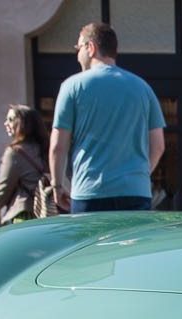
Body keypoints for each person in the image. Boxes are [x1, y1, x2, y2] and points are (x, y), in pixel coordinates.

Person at [49, 22, 165, 213]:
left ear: (91, 47)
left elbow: (58, 147)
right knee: (134, 244)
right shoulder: (143, 88)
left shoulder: (72, 86)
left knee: (90, 244)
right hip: (136, 193)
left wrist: (57, 185)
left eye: (79, 48)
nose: (77, 55)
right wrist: (140, 175)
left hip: (90, 192)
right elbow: (158, 146)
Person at [0, 105, 49, 227]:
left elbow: (4, 187)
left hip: (24, 215)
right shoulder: (45, 148)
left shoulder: (15, 152)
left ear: (23, 123)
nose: (6, 123)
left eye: (10, 119)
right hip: (48, 215)